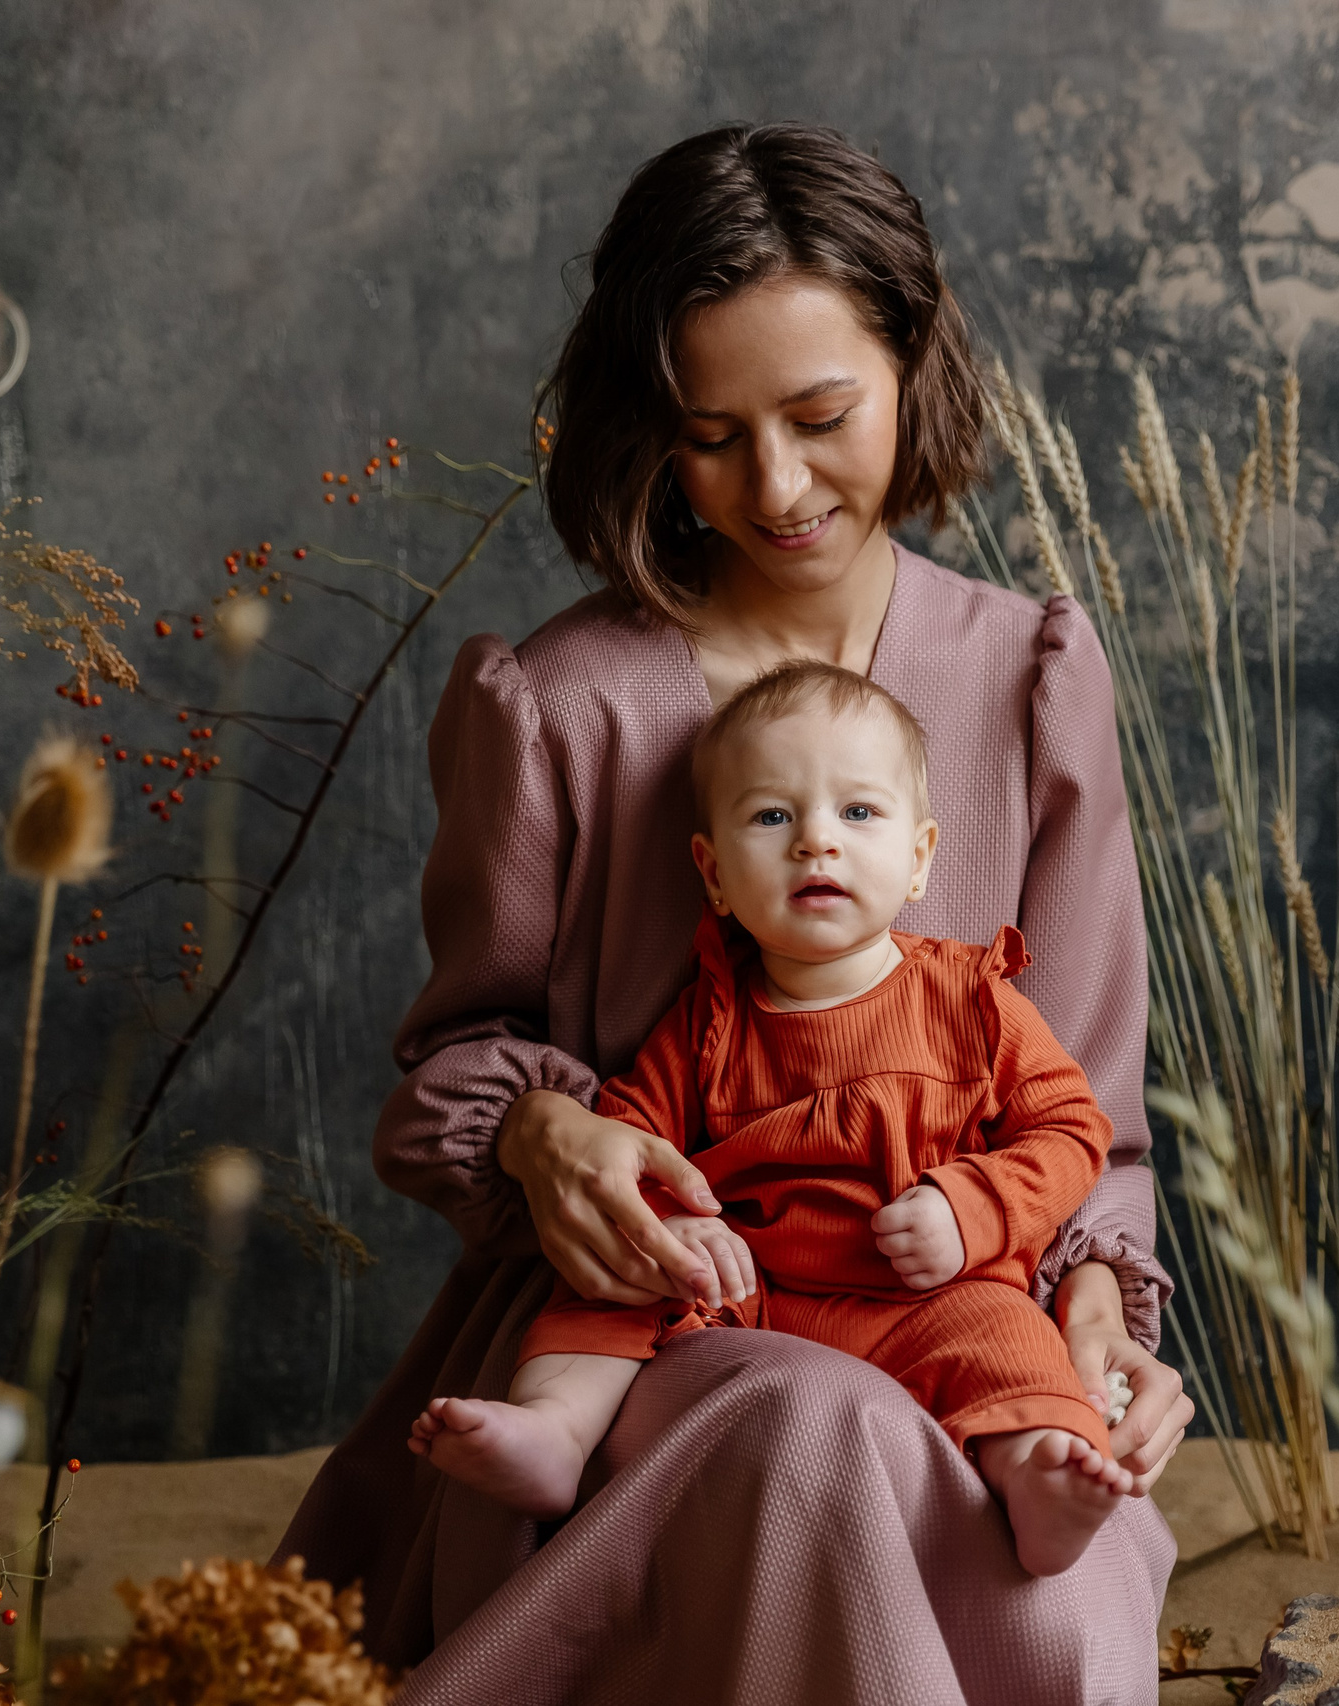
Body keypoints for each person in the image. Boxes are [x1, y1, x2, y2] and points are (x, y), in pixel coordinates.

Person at [271, 120, 1194, 1705]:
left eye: (822, 415)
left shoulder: (1033, 677)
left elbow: (1089, 1122)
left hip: (968, 1316)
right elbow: (447, 1076)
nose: (774, 486)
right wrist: (544, 1139)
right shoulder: (559, 707)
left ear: (916, 361)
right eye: (711, 435)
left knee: (1038, 1621)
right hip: (671, 1330)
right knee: (814, 1433)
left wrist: (1100, 1316)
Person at [410, 661, 1134, 1577]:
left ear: (919, 860)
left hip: (933, 1295)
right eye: (772, 817)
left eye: (858, 814)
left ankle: (1043, 1480)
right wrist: (670, 1225)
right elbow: (633, 1147)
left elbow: (1072, 1130)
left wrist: (975, 1207)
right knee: (609, 1287)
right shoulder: (709, 1020)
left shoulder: (973, 1000)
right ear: (712, 874)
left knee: (1010, 1343)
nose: (815, 845)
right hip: (751, 1295)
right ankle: (554, 1428)